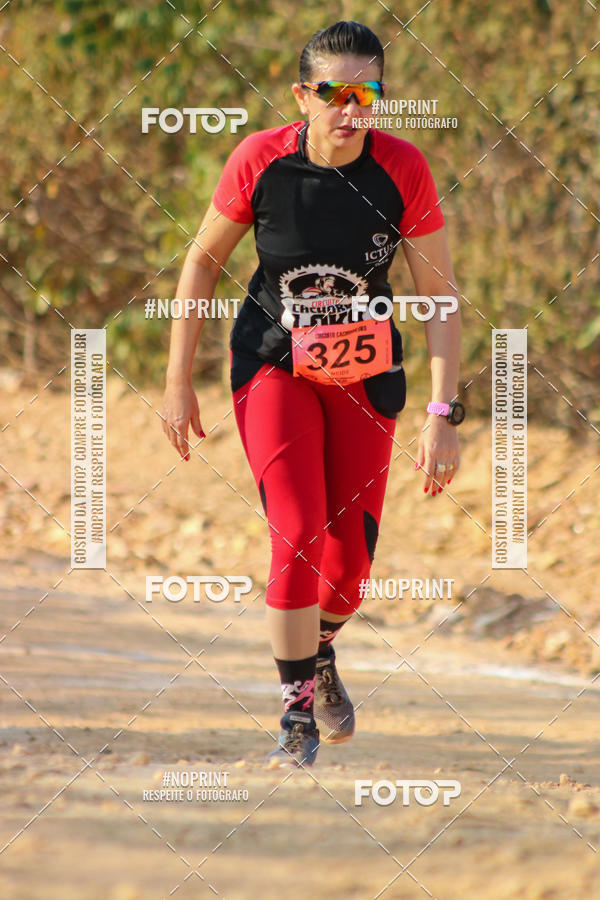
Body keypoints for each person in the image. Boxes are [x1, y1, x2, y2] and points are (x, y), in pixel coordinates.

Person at [161, 21, 463, 768]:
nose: (351, 108)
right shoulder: (261, 159)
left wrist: (441, 414)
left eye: (368, 92)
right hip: (273, 366)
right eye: (334, 92)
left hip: (365, 376)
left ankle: (318, 650)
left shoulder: (403, 169)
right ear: (303, 95)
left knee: (350, 567)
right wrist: (176, 383)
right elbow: (201, 264)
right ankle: (296, 714)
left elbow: (440, 296)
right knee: (294, 529)